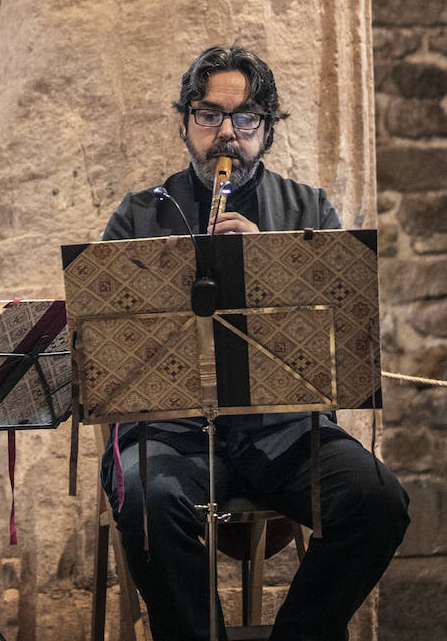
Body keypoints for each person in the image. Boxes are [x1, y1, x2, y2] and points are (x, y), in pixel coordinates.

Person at [100, 45, 409, 641]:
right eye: (209, 115)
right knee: (146, 505)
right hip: (173, 431)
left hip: (285, 429)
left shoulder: (307, 208)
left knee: (378, 500)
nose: (227, 135)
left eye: (246, 120)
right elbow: (106, 346)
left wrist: (268, 264)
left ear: (266, 130)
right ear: (184, 122)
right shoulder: (138, 215)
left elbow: (341, 341)